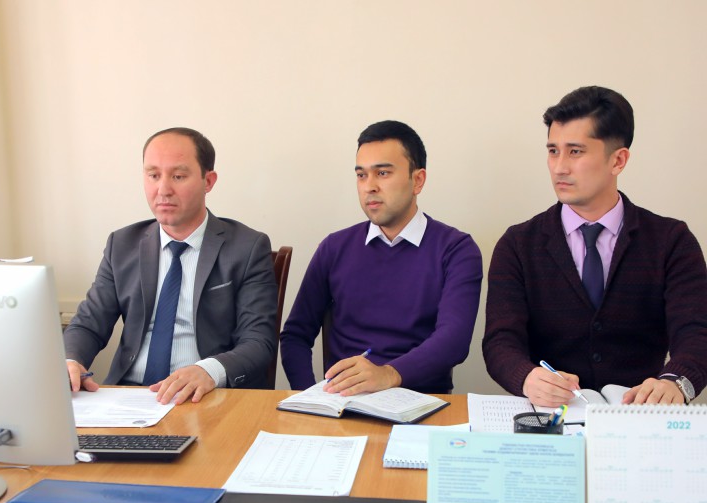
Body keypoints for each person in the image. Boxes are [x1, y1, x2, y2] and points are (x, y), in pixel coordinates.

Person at [483, 86, 707, 407]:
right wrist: (527, 377)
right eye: (553, 151)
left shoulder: (671, 241)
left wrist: (675, 382)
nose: (559, 167)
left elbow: (696, 333)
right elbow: (500, 341)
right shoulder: (518, 244)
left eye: (575, 152)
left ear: (618, 160)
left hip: (639, 413)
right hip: (551, 413)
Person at [64, 127, 278, 404]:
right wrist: (71, 360)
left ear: (208, 181)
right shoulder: (122, 245)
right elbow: (89, 324)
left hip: (206, 396)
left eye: (178, 176)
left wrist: (209, 371)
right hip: (129, 396)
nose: (163, 190)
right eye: (153, 175)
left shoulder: (247, 248)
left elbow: (259, 341)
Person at [280, 120, 483, 395]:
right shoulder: (334, 247)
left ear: (418, 180)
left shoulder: (456, 249)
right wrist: (310, 397)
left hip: (422, 401)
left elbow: (454, 341)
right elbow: (295, 335)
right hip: (343, 403)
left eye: (383, 173)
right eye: (361, 175)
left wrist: (388, 374)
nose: (369, 186)